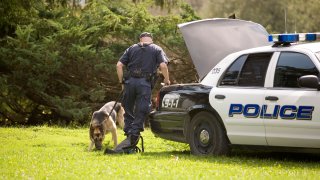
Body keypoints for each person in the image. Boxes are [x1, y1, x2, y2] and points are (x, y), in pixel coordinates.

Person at [107, 32, 170, 154]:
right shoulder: (157, 49)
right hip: (144, 84)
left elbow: (119, 65)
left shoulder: (131, 48)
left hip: (129, 83)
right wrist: (167, 80)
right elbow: (163, 65)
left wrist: (122, 82)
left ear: (140, 39)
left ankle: (129, 135)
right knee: (142, 109)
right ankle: (133, 136)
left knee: (128, 109)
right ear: (151, 40)